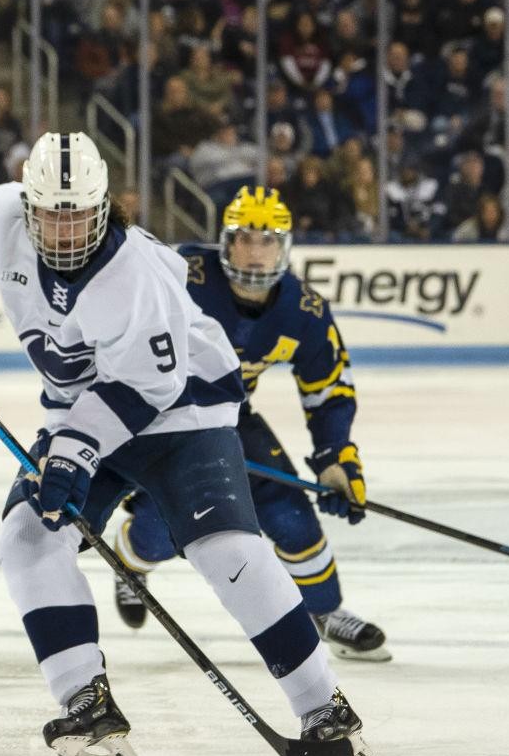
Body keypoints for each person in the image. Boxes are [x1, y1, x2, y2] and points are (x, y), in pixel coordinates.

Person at [0, 133, 373, 756]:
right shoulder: (2, 218)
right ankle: (88, 705)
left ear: (106, 206)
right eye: (52, 213)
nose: (67, 229)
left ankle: (325, 708)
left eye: (79, 213)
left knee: (227, 550)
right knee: (27, 536)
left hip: (183, 408)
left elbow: (148, 387)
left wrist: (74, 453)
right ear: (29, 205)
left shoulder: (136, 274)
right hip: (81, 407)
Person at [113, 187, 389, 662]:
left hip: (231, 418)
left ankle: (324, 611)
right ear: (224, 243)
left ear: (285, 248)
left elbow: (328, 391)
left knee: (290, 515)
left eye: (268, 242)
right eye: (245, 240)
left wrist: (335, 456)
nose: (256, 254)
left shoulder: (304, 312)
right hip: (160, 417)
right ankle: (128, 565)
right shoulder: (182, 276)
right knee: (161, 531)